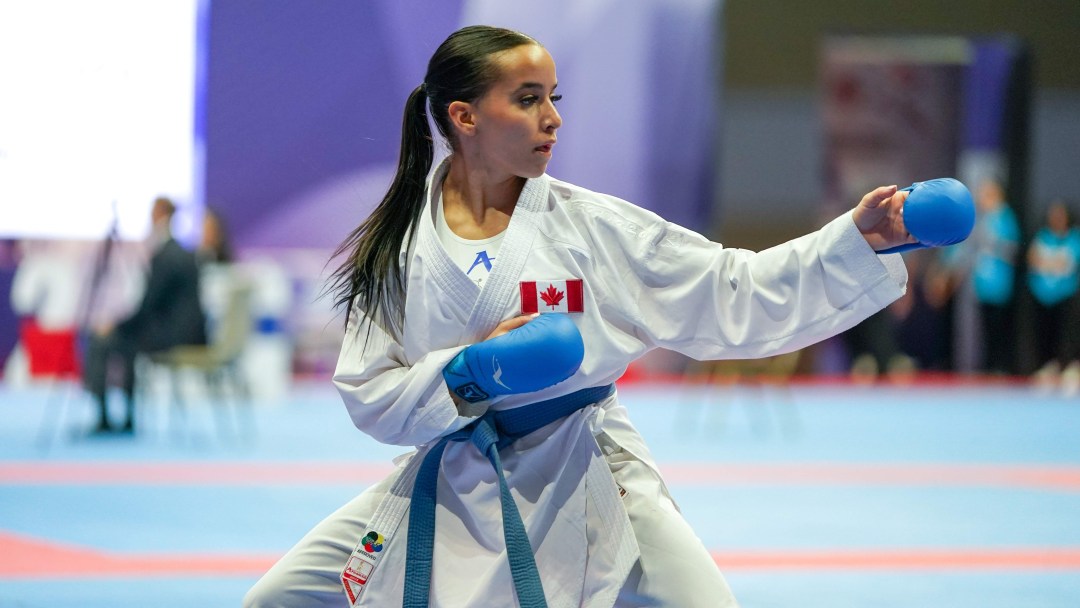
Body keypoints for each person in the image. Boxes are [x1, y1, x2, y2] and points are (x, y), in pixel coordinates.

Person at [245, 25, 959, 607]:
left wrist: (856, 240)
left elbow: (732, 290)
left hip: (586, 469)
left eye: (553, 97)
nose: (552, 117)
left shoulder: (591, 228)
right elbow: (372, 396)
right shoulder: (400, 245)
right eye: (527, 99)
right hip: (456, 473)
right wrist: (468, 375)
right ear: (463, 117)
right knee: (274, 600)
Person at [81, 196, 207, 434]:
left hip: (171, 336)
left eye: (153, 214)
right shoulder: (181, 252)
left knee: (101, 342)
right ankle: (125, 417)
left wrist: (117, 326)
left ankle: (105, 418)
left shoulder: (165, 257)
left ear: (162, 216)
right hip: (182, 331)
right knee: (126, 343)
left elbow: (148, 306)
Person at [1027, 199, 1080, 392]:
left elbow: (1066, 264)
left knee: (1066, 332)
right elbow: (1033, 258)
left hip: (1065, 294)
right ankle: (1049, 365)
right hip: (1042, 294)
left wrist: (1047, 262)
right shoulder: (1043, 236)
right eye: (1053, 215)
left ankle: (1069, 365)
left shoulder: (1074, 238)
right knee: (1044, 332)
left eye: (1060, 215)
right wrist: (1050, 263)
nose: (1056, 218)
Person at [969, 178, 1021, 375]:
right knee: (986, 329)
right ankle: (988, 365)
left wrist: (996, 246)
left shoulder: (1005, 218)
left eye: (986, 194)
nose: (982, 199)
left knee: (999, 328)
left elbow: (1013, 249)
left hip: (999, 284)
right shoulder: (984, 219)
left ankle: (1000, 366)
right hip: (983, 284)